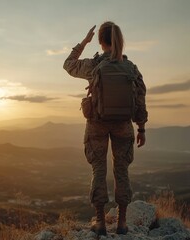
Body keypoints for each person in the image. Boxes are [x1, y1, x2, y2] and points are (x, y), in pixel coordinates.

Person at [63, 22, 148, 236]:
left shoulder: (94, 65)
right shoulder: (131, 68)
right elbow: (140, 99)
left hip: (97, 123)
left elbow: (68, 64)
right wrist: (142, 128)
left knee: (98, 169)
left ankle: (100, 222)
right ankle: (121, 222)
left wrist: (84, 42)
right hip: (123, 125)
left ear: (101, 41)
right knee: (122, 171)